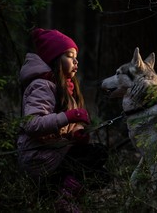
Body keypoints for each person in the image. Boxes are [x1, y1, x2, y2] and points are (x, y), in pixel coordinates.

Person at [17, 28, 109, 212]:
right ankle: (61, 200)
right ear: (55, 58)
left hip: (54, 152)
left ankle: (57, 193)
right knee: (91, 159)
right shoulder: (42, 85)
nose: (76, 61)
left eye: (76, 57)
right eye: (69, 55)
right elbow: (32, 123)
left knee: (100, 170)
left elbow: (64, 126)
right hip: (37, 156)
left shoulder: (65, 87)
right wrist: (68, 117)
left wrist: (76, 131)